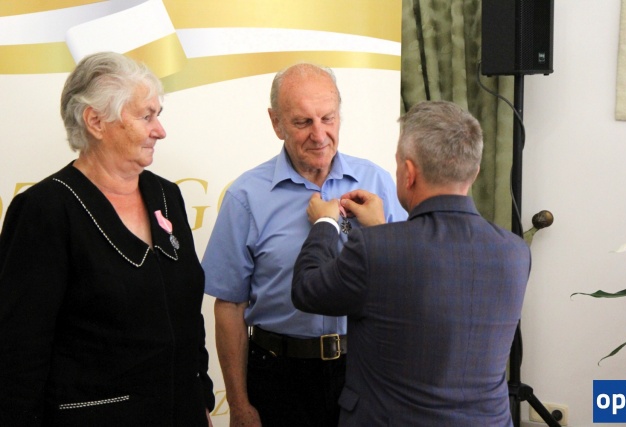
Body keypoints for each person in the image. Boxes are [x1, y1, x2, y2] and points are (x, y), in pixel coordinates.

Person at [0, 52, 215, 426]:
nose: (160, 130)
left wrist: (202, 400)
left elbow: (188, 317)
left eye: (158, 114)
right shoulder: (45, 209)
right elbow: (19, 348)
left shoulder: (166, 196)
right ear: (96, 121)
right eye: (146, 116)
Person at [292, 100, 531, 426]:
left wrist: (325, 224)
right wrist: (380, 231)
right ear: (474, 172)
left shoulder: (375, 250)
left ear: (409, 172)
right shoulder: (516, 252)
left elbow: (306, 290)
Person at [201, 63, 407, 427]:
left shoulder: (377, 182)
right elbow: (230, 305)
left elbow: (406, 284)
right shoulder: (246, 196)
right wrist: (239, 404)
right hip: (279, 375)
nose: (319, 134)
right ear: (276, 123)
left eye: (328, 118)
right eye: (302, 122)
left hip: (362, 371)